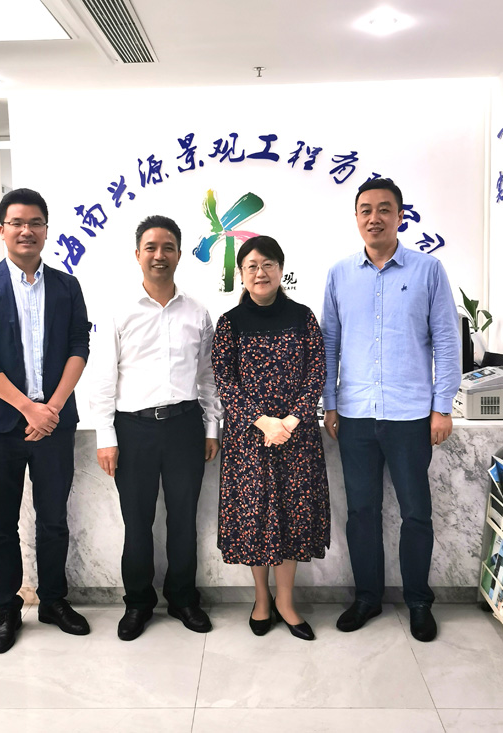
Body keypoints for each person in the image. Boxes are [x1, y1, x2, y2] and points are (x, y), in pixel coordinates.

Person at [321, 178, 461, 642]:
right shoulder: (340, 274)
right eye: (366, 210)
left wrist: (442, 407)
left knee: (416, 512)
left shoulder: (428, 270)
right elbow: (329, 344)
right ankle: (367, 598)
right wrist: (330, 403)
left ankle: (419, 601)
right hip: (356, 415)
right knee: (362, 513)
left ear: (401, 216)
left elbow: (446, 339)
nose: (374, 217)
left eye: (384, 209)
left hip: (410, 416)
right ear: (356, 218)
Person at [0, 188, 91, 654]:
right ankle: (6, 607)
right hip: (1, 425)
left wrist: (50, 408)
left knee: (54, 519)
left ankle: (53, 601)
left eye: (35, 222)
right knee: (2, 522)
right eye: (16, 222)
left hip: (54, 422)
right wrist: (28, 408)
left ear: (46, 230)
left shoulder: (67, 286)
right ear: (1, 230)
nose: (26, 230)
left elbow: (79, 345)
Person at [91, 215, 222, 640]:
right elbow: (103, 377)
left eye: (168, 247)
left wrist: (211, 428)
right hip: (134, 430)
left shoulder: (197, 312)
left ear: (180, 254)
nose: (159, 255)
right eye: (151, 247)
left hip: (185, 426)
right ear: (137, 255)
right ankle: (138, 603)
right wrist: (106, 437)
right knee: (137, 521)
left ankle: (183, 598)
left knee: (184, 518)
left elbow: (208, 376)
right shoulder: (118, 310)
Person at [211, 236, 330, 641]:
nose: (260, 273)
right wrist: (263, 422)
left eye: (267, 264)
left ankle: (286, 601)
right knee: (256, 520)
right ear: (241, 274)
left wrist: (291, 421)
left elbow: (317, 372)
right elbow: (224, 381)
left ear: (280, 269)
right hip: (250, 440)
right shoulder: (229, 323)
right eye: (251, 266)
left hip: (297, 439)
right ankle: (261, 599)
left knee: (293, 518)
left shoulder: (303, 317)